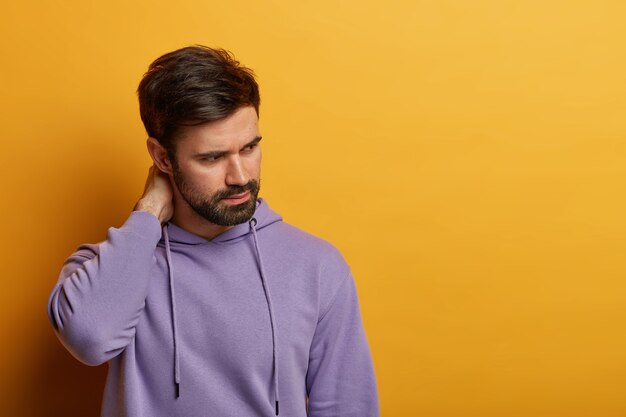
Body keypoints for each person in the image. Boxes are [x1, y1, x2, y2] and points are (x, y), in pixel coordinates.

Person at [47, 45, 379, 417]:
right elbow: (90, 340)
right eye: (212, 157)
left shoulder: (316, 267)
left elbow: (348, 408)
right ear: (162, 158)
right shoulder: (107, 268)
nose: (240, 177)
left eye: (250, 147)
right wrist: (147, 214)